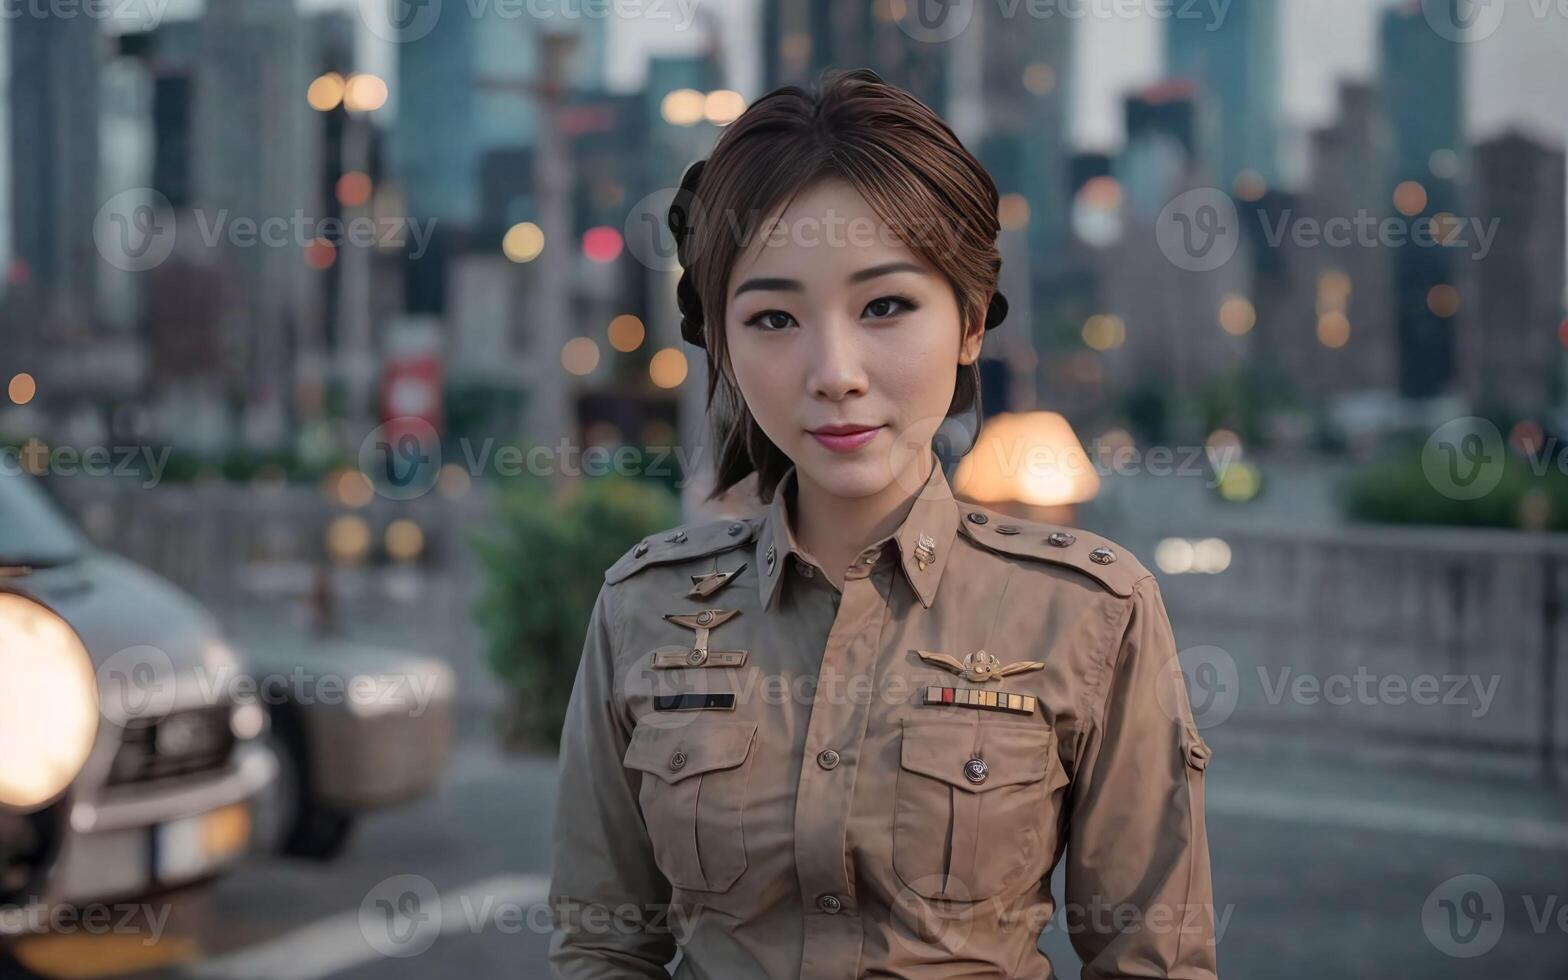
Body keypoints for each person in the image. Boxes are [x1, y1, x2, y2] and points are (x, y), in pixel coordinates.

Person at [547, 67, 1218, 979]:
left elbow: (1153, 962)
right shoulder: (643, 610)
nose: (835, 371)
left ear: (971, 321)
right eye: (775, 316)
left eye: (886, 306)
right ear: (726, 346)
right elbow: (603, 945)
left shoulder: (1094, 612)